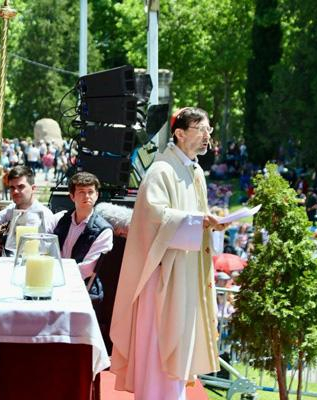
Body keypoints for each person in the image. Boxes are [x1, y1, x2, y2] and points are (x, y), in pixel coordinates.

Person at [110, 107, 225, 399]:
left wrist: (209, 221)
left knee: (180, 343)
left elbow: (196, 217)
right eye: (202, 130)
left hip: (185, 271)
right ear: (180, 133)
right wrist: (199, 221)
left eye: (209, 130)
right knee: (159, 344)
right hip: (162, 273)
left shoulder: (195, 171)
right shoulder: (161, 171)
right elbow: (154, 216)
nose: (207, 136)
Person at [0, 165, 56, 256]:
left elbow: (46, 250)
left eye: (21, 187)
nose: (15, 191)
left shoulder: (45, 216)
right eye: (12, 188)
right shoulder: (10, 209)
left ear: (33, 189)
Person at [52, 172, 113, 279]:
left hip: (81, 284)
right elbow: (47, 249)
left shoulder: (104, 231)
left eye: (90, 192)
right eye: (81, 192)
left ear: (97, 195)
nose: (87, 196)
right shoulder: (60, 219)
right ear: (72, 196)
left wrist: (58, 275)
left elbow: (86, 270)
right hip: (54, 276)